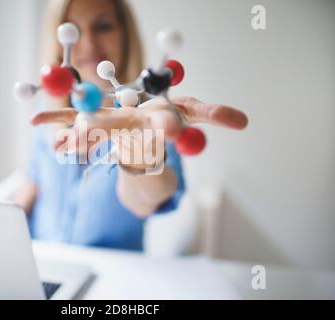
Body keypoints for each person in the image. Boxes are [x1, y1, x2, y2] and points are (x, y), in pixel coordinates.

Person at [14, 0, 248, 251]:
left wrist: (137, 155)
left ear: (126, 34)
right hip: (41, 265)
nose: (88, 43)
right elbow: (34, 182)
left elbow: (145, 200)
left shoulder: (155, 120)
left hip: (111, 281)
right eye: (73, 31)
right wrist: (4, 232)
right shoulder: (46, 116)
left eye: (103, 26)